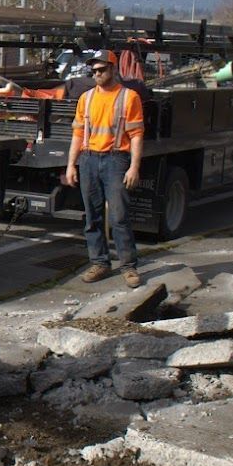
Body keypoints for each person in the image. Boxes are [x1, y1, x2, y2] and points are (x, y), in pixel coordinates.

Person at [64, 48, 145, 288]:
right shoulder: (86, 98)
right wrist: (71, 165)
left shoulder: (128, 97)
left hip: (116, 160)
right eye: (94, 70)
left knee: (119, 216)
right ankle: (99, 262)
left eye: (101, 69)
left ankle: (129, 267)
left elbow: (137, 135)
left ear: (113, 69)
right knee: (92, 216)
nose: (97, 73)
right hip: (89, 160)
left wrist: (134, 167)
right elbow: (78, 135)